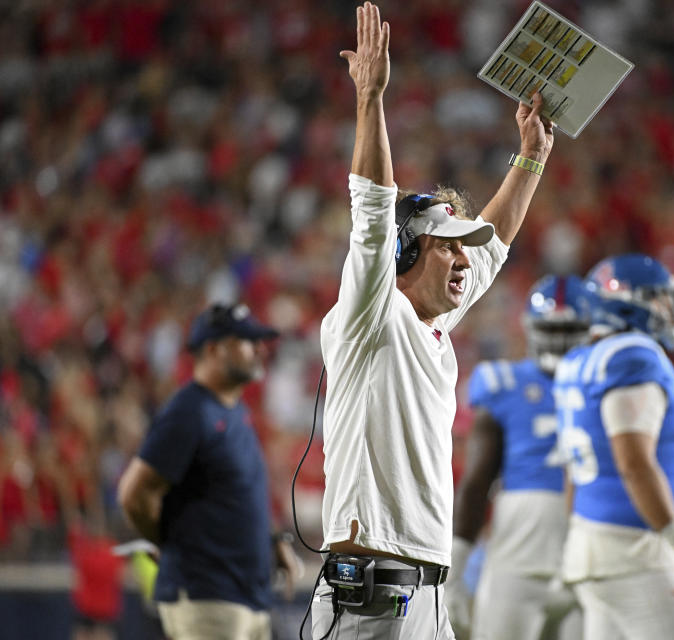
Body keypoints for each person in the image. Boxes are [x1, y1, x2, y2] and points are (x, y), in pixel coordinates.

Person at [312, 2, 554, 638]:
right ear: (409, 253)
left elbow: (493, 243)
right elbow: (372, 214)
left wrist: (530, 156)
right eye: (446, 244)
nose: (461, 259)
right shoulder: (372, 315)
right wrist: (370, 97)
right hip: (367, 596)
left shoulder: (434, 328)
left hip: (428, 597)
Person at [553, 254, 674, 639]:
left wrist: (577, 534)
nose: (669, 308)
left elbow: (572, 474)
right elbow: (634, 463)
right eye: (660, 297)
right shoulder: (631, 355)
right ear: (629, 301)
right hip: (639, 555)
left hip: (596, 551)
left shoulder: (577, 361)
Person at [117, 302, 299, 640]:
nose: (259, 349)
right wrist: (166, 541)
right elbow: (133, 494)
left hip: (244, 596)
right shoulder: (189, 411)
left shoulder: (235, 410)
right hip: (207, 597)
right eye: (246, 341)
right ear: (214, 349)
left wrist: (274, 542)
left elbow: (243, 492)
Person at [446, 274, 591, 640]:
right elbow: (478, 482)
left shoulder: (605, 383)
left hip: (583, 546)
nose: (558, 340)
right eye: (550, 329)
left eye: (568, 329)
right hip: (531, 548)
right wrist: (456, 568)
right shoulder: (502, 382)